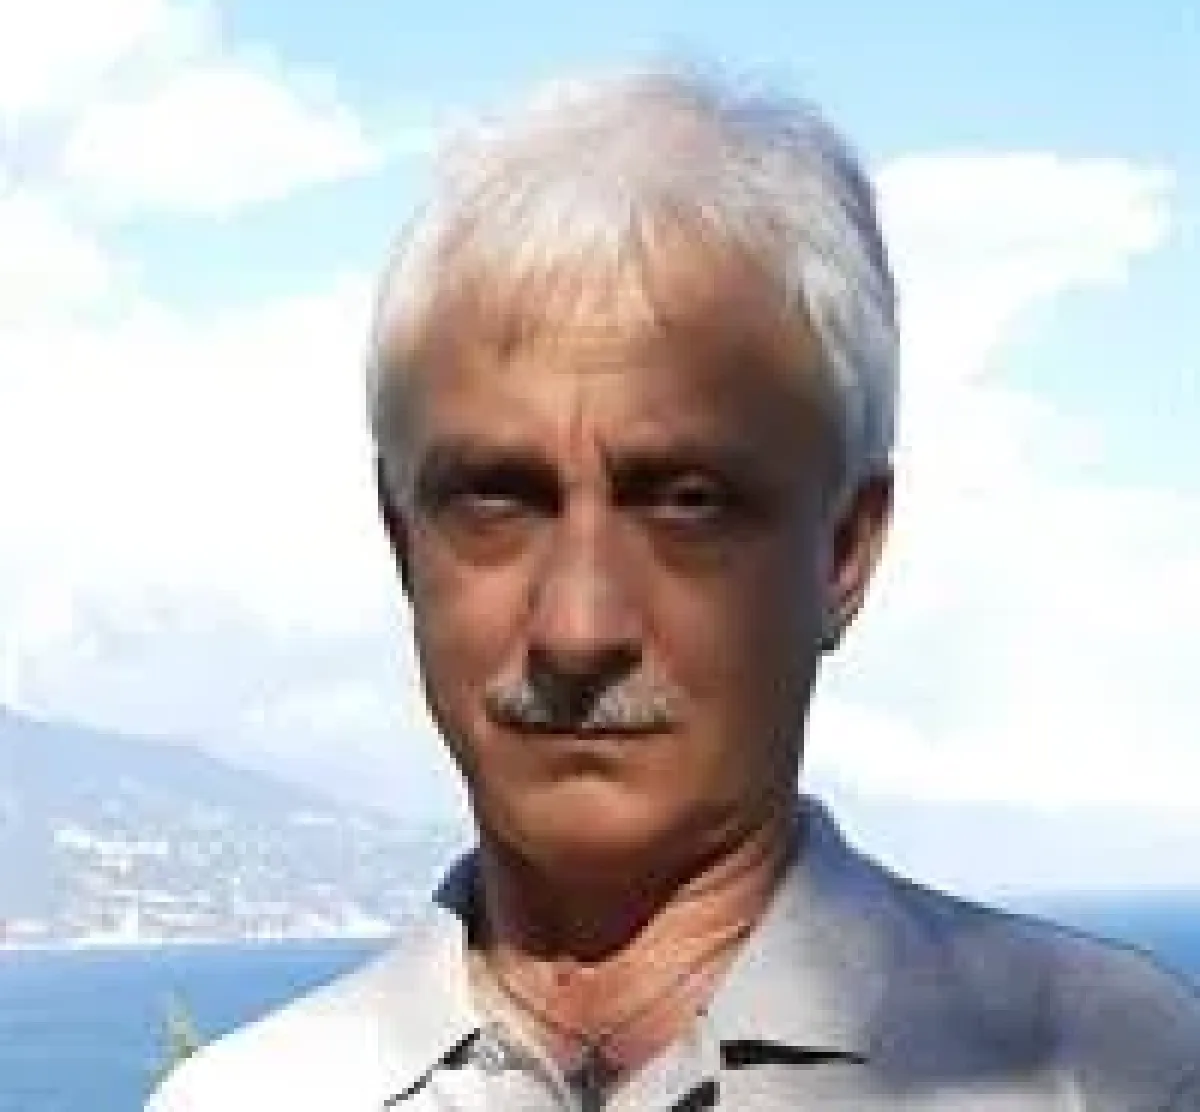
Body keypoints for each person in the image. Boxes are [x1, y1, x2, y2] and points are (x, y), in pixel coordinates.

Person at [147, 69, 1200, 1111]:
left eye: (687, 503)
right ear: (402, 542)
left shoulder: (1105, 1076)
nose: (578, 629)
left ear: (846, 549)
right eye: (497, 499)